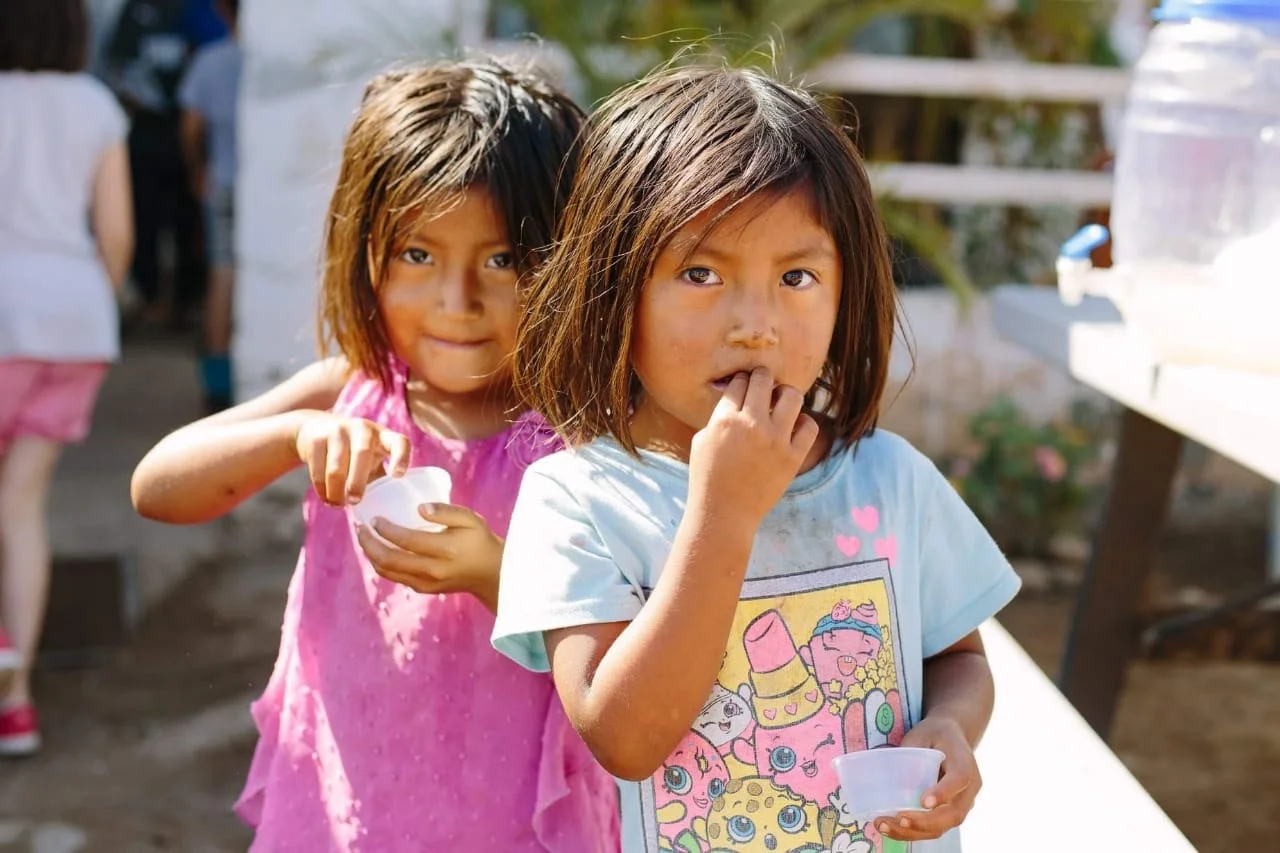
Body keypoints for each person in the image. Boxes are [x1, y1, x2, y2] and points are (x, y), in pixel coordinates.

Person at [492, 64, 1022, 853]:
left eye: (797, 276)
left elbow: (958, 656)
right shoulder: (577, 501)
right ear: (613, 289)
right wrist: (723, 514)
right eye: (700, 273)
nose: (756, 324)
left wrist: (950, 724)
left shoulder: (892, 479)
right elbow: (623, 737)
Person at [131, 59, 618, 851]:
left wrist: (494, 574)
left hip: (513, 819)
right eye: (417, 256)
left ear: (565, 259)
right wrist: (293, 436)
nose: (456, 302)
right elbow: (157, 486)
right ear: (362, 252)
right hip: (346, 806)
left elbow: (627, 639)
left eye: (501, 260)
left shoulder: (580, 435)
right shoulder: (347, 394)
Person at [0, 0, 135, 757]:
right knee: (21, 506)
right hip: (76, 324)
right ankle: (15, 705)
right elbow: (115, 235)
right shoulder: (94, 105)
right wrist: (91, 308)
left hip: (5, 316)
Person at [100, 0, 206, 329]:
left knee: (187, 222)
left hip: (187, 137)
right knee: (144, 219)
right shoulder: (134, 12)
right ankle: (147, 300)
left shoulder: (193, 11)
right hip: (145, 136)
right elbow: (116, 65)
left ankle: (186, 302)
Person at [178, 0, 241, 413]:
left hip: (223, 182)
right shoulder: (272, 63)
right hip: (262, 190)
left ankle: (217, 383)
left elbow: (190, 127)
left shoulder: (211, 60)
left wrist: (197, 169)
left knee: (222, 274)